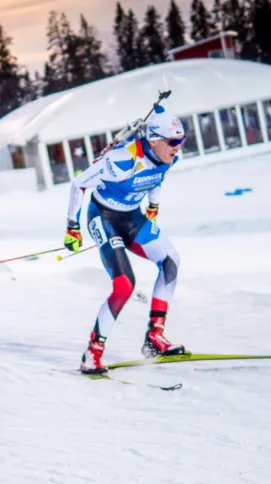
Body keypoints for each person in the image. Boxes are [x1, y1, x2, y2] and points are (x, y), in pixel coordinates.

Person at [63, 105, 187, 374]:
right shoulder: (121, 160)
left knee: (170, 262)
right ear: (153, 140)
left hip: (132, 218)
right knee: (124, 285)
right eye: (173, 141)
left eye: (182, 140)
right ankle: (92, 353)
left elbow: (156, 178)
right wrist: (72, 227)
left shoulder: (168, 157)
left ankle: (155, 337)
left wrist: (153, 208)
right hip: (104, 219)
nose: (178, 147)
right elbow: (79, 184)